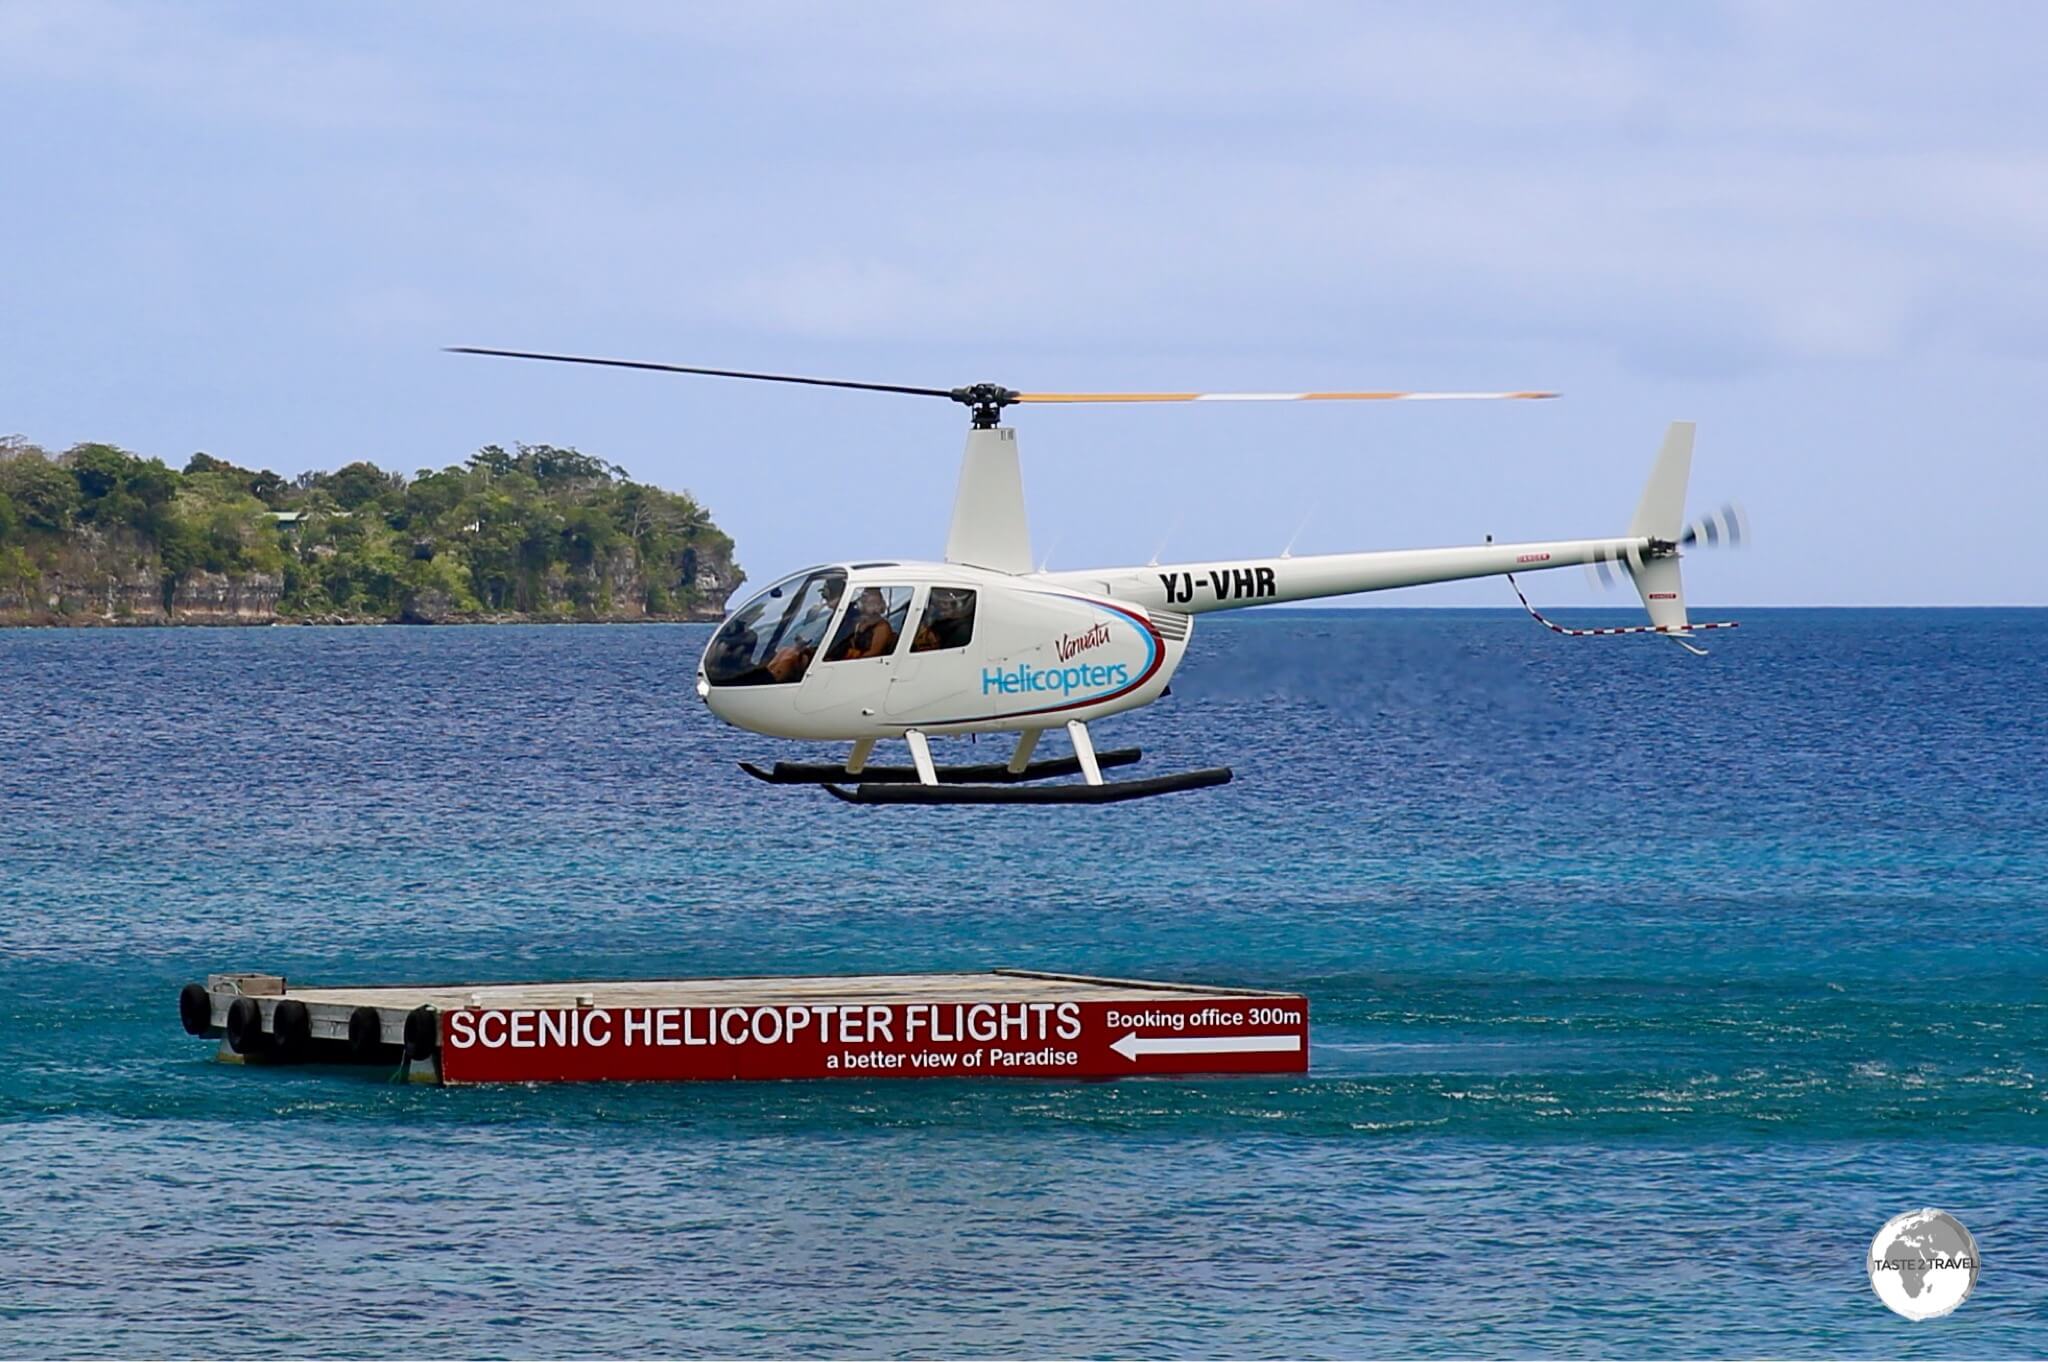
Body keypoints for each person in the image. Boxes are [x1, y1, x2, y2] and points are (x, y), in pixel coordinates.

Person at [764, 576, 843, 681]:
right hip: (819, 653)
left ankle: (772, 681)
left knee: (790, 657)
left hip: (829, 659)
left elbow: (835, 645)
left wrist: (807, 649)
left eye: (825, 593)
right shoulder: (832, 615)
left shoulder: (843, 616)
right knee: (784, 651)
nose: (824, 597)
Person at [834, 587, 898, 660]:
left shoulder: (882, 627)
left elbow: (874, 653)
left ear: (880, 604)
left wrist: (853, 660)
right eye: (864, 601)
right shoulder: (859, 623)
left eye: (873, 602)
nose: (866, 604)